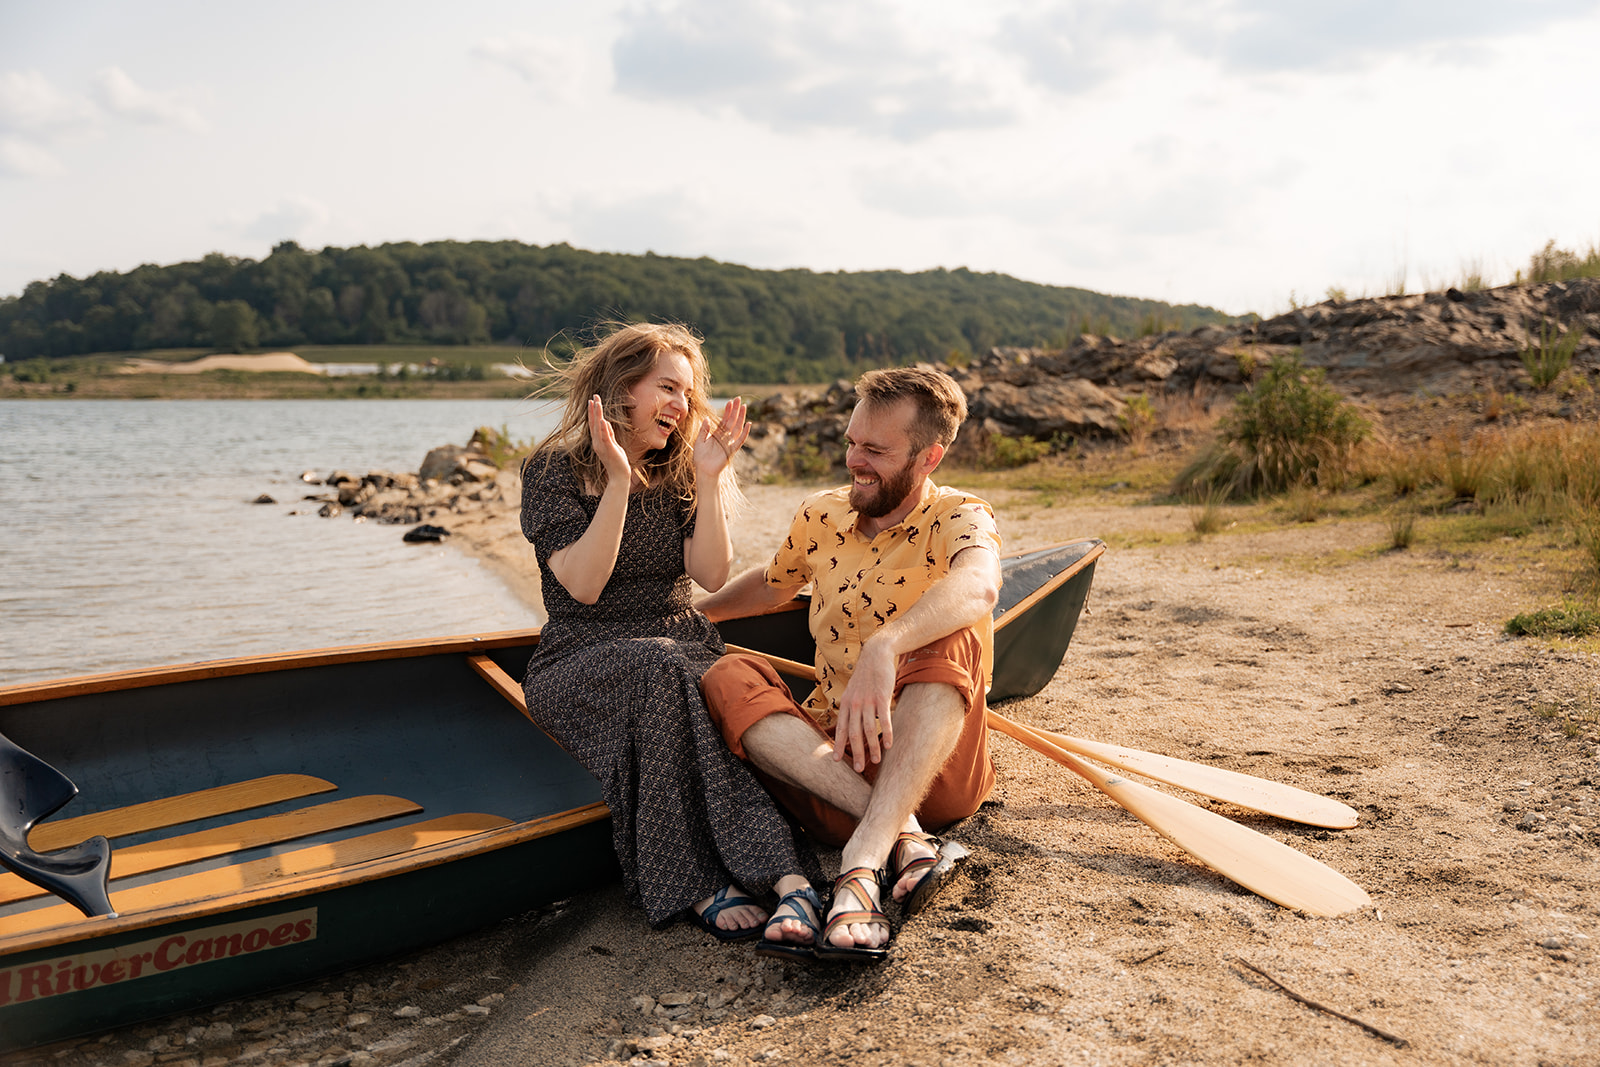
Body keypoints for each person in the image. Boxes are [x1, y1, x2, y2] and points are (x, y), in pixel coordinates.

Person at [518, 322, 824, 956]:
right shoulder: (552, 472)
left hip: (679, 644)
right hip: (579, 657)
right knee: (663, 668)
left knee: (686, 672)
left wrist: (710, 478)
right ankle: (742, 874)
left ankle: (763, 871)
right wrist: (620, 482)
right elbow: (582, 586)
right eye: (668, 388)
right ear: (623, 390)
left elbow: (710, 573)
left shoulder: (683, 469)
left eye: (688, 394)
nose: (682, 408)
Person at [698, 366, 1002, 962]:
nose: (854, 460)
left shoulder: (962, 515)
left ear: (928, 456)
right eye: (851, 442)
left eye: (875, 450)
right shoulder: (822, 514)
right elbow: (772, 586)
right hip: (829, 775)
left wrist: (886, 646)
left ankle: (861, 862)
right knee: (724, 675)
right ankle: (901, 835)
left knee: (956, 632)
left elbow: (981, 585)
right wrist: (694, 613)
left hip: (933, 771)